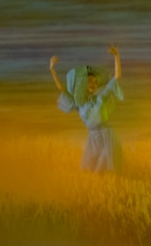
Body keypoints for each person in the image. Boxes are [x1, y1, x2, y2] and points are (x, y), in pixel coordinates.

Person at [49, 45, 124, 173]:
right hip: (93, 138)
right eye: (89, 81)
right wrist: (52, 69)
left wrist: (116, 57)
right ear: (82, 84)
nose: (93, 85)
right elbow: (62, 89)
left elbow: (116, 78)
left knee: (103, 169)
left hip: (106, 136)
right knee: (89, 170)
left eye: (95, 82)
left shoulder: (100, 98)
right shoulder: (80, 103)